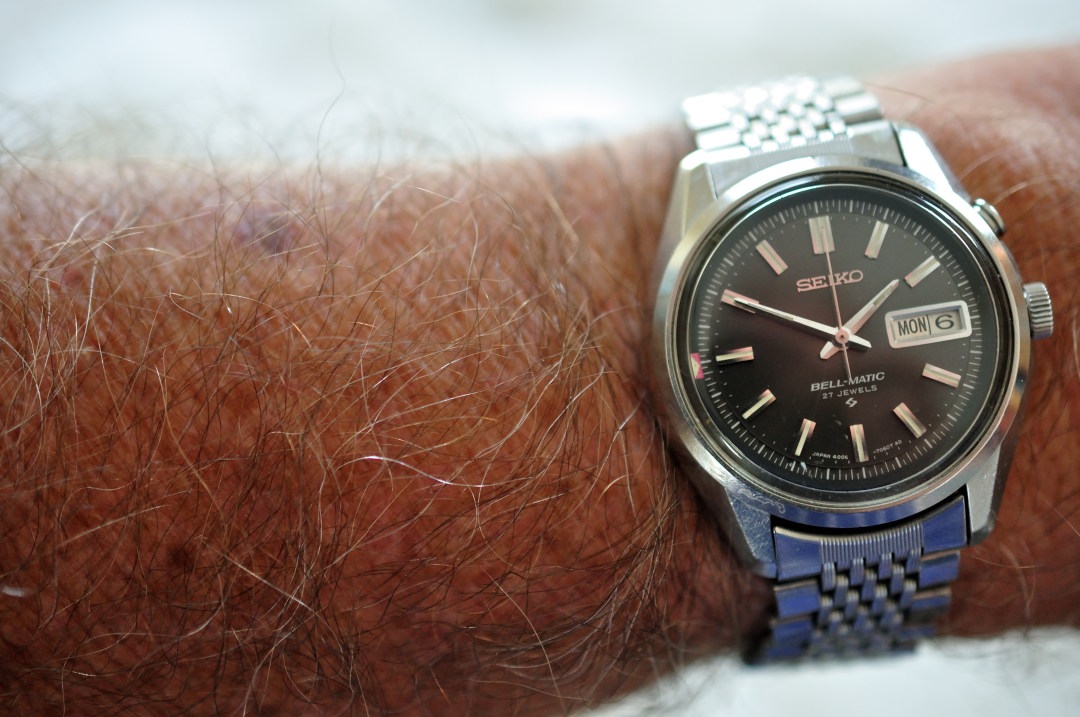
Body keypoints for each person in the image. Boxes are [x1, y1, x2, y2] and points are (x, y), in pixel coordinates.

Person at [0, 45, 1076, 716]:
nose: (842, 338)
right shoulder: (704, 373)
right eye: (828, 327)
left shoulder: (981, 371)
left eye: (854, 328)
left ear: (1020, 308)